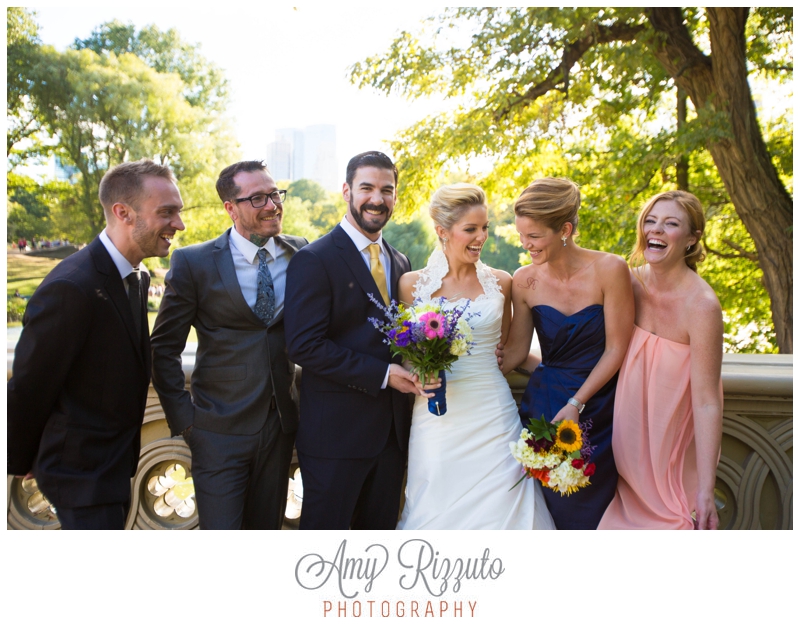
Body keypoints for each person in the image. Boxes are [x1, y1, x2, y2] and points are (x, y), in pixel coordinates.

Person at [7, 159, 185, 529]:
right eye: (166, 213)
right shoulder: (70, 287)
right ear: (123, 212)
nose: (179, 225)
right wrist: (23, 459)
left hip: (110, 468)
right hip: (79, 475)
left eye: (178, 212)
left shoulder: (135, 275)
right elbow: (29, 387)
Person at [151, 160, 307, 530]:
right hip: (215, 432)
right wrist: (187, 422)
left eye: (274, 194)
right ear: (230, 208)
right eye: (257, 198)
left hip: (280, 427)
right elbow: (163, 348)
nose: (272, 205)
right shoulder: (194, 262)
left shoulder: (300, 253)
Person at [284, 151, 432, 530]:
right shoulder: (314, 259)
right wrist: (383, 374)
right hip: (336, 437)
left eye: (387, 190)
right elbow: (304, 345)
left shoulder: (401, 262)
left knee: (377, 546)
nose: (377, 199)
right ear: (347, 191)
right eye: (367, 188)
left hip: (393, 437)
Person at [396, 183, 555, 530]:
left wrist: (561, 373)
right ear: (442, 231)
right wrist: (418, 373)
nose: (481, 236)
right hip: (437, 417)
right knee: (435, 507)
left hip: (493, 414)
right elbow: (408, 353)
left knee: (506, 509)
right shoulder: (411, 285)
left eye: (484, 227)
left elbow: (509, 350)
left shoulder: (502, 283)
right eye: (471, 229)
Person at [502, 177, 634, 529]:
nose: (525, 244)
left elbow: (617, 347)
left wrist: (577, 403)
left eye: (534, 236)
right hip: (545, 406)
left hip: (602, 408)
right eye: (521, 235)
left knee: (595, 512)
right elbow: (515, 352)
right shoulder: (524, 280)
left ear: (565, 229)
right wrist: (463, 371)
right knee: (549, 511)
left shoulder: (610, 269)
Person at [598, 191, 723, 530]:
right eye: (650, 221)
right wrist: (520, 356)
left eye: (671, 224)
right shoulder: (629, 283)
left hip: (669, 468)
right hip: (619, 464)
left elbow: (708, 401)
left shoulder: (702, 306)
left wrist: (706, 491)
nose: (656, 230)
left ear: (692, 238)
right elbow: (589, 348)